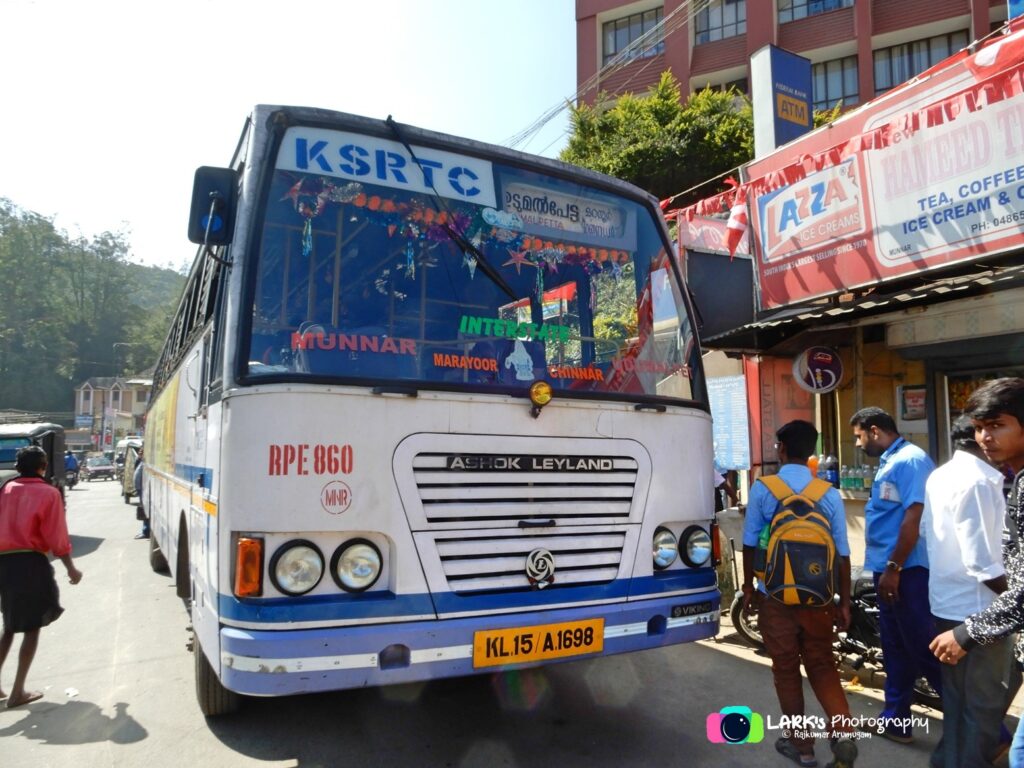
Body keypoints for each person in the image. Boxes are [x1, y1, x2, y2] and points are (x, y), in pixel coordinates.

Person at [742, 420, 858, 768]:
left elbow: (749, 545)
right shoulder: (829, 493)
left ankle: (803, 747)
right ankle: (844, 733)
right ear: (810, 453)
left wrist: (749, 587)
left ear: (781, 449)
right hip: (819, 598)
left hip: (776, 597)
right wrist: (845, 602)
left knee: (786, 670)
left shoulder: (764, 488)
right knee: (822, 665)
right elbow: (842, 555)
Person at [929, 378, 1024, 768]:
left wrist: (972, 630)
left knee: (971, 713)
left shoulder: (981, 480)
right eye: (981, 427)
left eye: (997, 425)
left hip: (975, 612)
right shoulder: (992, 480)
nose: (986, 436)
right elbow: (985, 563)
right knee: (977, 713)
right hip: (975, 610)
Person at [849, 406, 941, 742]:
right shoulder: (890, 462)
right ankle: (896, 721)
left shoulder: (910, 461)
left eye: (859, 436)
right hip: (888, 569)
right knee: (896, 648)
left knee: (925, 649)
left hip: (907, 570)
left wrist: (894, 568)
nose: (858, 444)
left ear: (874, 430)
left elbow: (913, 519)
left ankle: (985, 730)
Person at [0, 445, 83, 708]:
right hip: (29, 563)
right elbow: (56, 535)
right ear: (43, 467)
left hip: (3, 563)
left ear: (18, 467)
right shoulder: (48, 493)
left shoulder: (6, 489)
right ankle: (17, 693)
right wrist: (71, 567)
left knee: (10, 626)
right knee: (32, 628)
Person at [133, 448, 148, 540]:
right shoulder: (140, 462)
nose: (140, 454)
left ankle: (146, 531)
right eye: (139, 453)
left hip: (144, 490)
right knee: (143, 511)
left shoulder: (146, 464)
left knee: (145, 511)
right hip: (140, 490)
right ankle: (145, 531)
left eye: (142, 453)